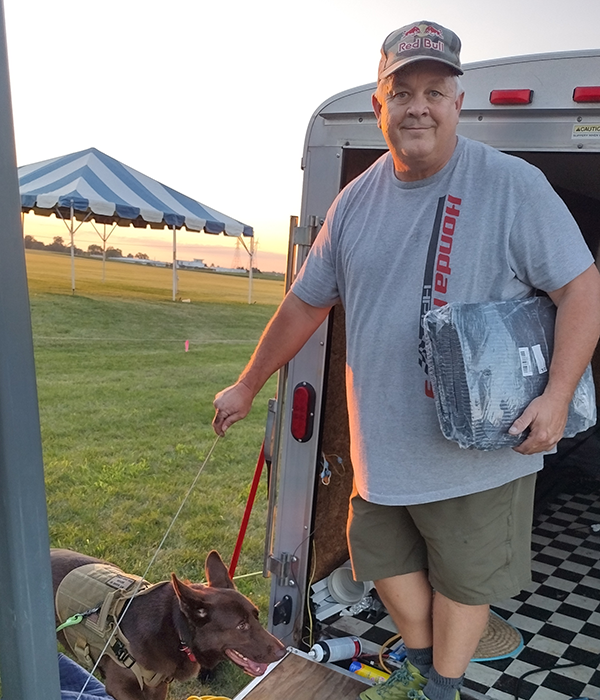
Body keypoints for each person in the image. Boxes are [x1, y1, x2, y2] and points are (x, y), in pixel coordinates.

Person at [212, 20, 600, 700]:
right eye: (403, 92)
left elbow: (582, 288)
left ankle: (439, 687)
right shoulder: (353, 203)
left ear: (457, 101)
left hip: (480, 451)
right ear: (380, 107)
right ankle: (423, 663)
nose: (418, 105)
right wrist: (248, 384)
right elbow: (305, 304)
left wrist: (558, 393)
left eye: (435, 90)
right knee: (384, 563)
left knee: (463, 580)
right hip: (380, 450)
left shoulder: (512, 184)